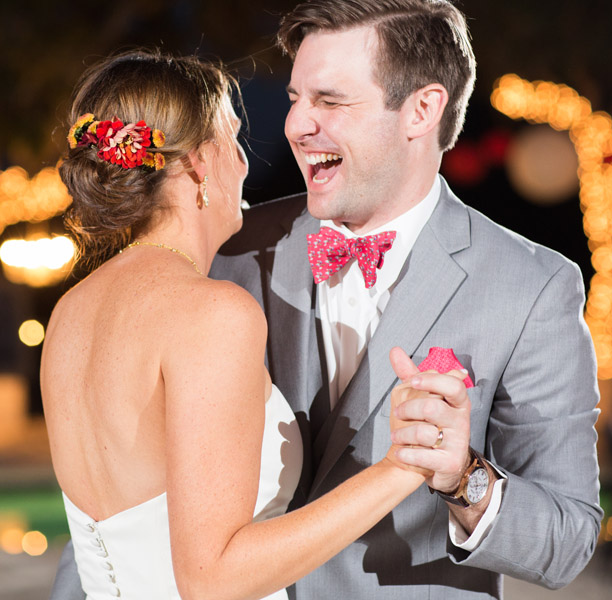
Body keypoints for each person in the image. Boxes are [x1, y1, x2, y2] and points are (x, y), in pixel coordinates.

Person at [43, 50, 471, 599]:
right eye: (233, 141)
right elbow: (213, 578)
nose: (244, 165)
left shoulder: (70, 313)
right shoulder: (210, 312)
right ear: (199, 164)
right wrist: (402, 467)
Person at [207, 1, 600, 598]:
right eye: (294, 98)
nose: (296, 125)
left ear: (422, 109)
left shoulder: (535, 287)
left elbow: (568, 541)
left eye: (330, 101)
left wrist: (462, 478)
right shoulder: (228, 250)